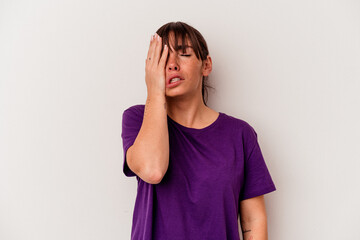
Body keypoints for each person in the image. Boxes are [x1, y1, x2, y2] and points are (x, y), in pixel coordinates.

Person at [121, 21, 276, 240]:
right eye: (163, 58)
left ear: (206, 65)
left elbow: (253, 221)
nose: (172, 64)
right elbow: (153, 170)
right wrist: (154, 91)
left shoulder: (240, 134)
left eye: (184, 54)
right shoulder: (137, 119)